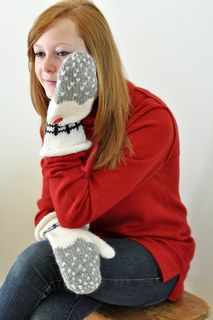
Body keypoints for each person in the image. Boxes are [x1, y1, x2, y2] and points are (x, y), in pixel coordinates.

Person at [0, 0, 195, 319]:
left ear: (95, 58)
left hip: (153, 257)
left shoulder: (149, 120)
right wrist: (58, 232)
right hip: (83, 252)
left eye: (61, 53)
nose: (46, 66)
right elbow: (50, 209)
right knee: (46, 315)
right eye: (39, 53)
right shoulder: (62, 121)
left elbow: (76, 212)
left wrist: (62, 128)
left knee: (39, 261)